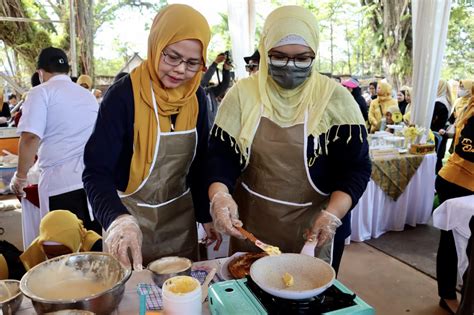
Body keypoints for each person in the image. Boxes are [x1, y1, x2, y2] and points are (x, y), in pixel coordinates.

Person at [207, 5, 371, 274]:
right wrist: (220, 195)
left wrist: (332, 215)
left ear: (314, 54)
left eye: (302, 58)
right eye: (278, 56)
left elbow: (356, 168)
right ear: (265, 50)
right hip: (253, 224)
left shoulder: (336, 100)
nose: (290, 66)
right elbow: (220, 156)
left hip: (314, 226)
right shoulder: (243, 95)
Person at [83, 4, 219, 270]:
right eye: (172, 57)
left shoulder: (197, 99)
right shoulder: (124, 96)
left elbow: (200, 164)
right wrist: (118, 221)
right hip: (129, 223)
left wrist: (205, 214)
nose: (180, 70)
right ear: (157, 45)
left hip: (179, 224)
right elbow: (96, 172)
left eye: (192, 63)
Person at [9, 47, 101, 236]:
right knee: (94, 249)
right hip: (94, 183)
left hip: (62, 186)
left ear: (40, 72)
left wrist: (20, 177)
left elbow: (30, 138)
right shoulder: (88, 96)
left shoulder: (40, 92)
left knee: (64, 254)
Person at [435, 85, 474, 314]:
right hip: (457, 184)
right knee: (451, 241)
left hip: (464, 183)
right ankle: (447, 294)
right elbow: (468, 148)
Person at [20, 210, 102, 271]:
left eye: (64, 254)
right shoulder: (36, 251)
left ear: (76, 243)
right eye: (51, 255)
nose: (58, 260)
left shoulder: (96, 247)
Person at [201, 52, 232, 126]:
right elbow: (203, 82)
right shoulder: (195, 92)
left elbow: (224, 85)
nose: (203, 73)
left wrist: (226, 70)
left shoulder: (210, 91)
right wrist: (215, 63)